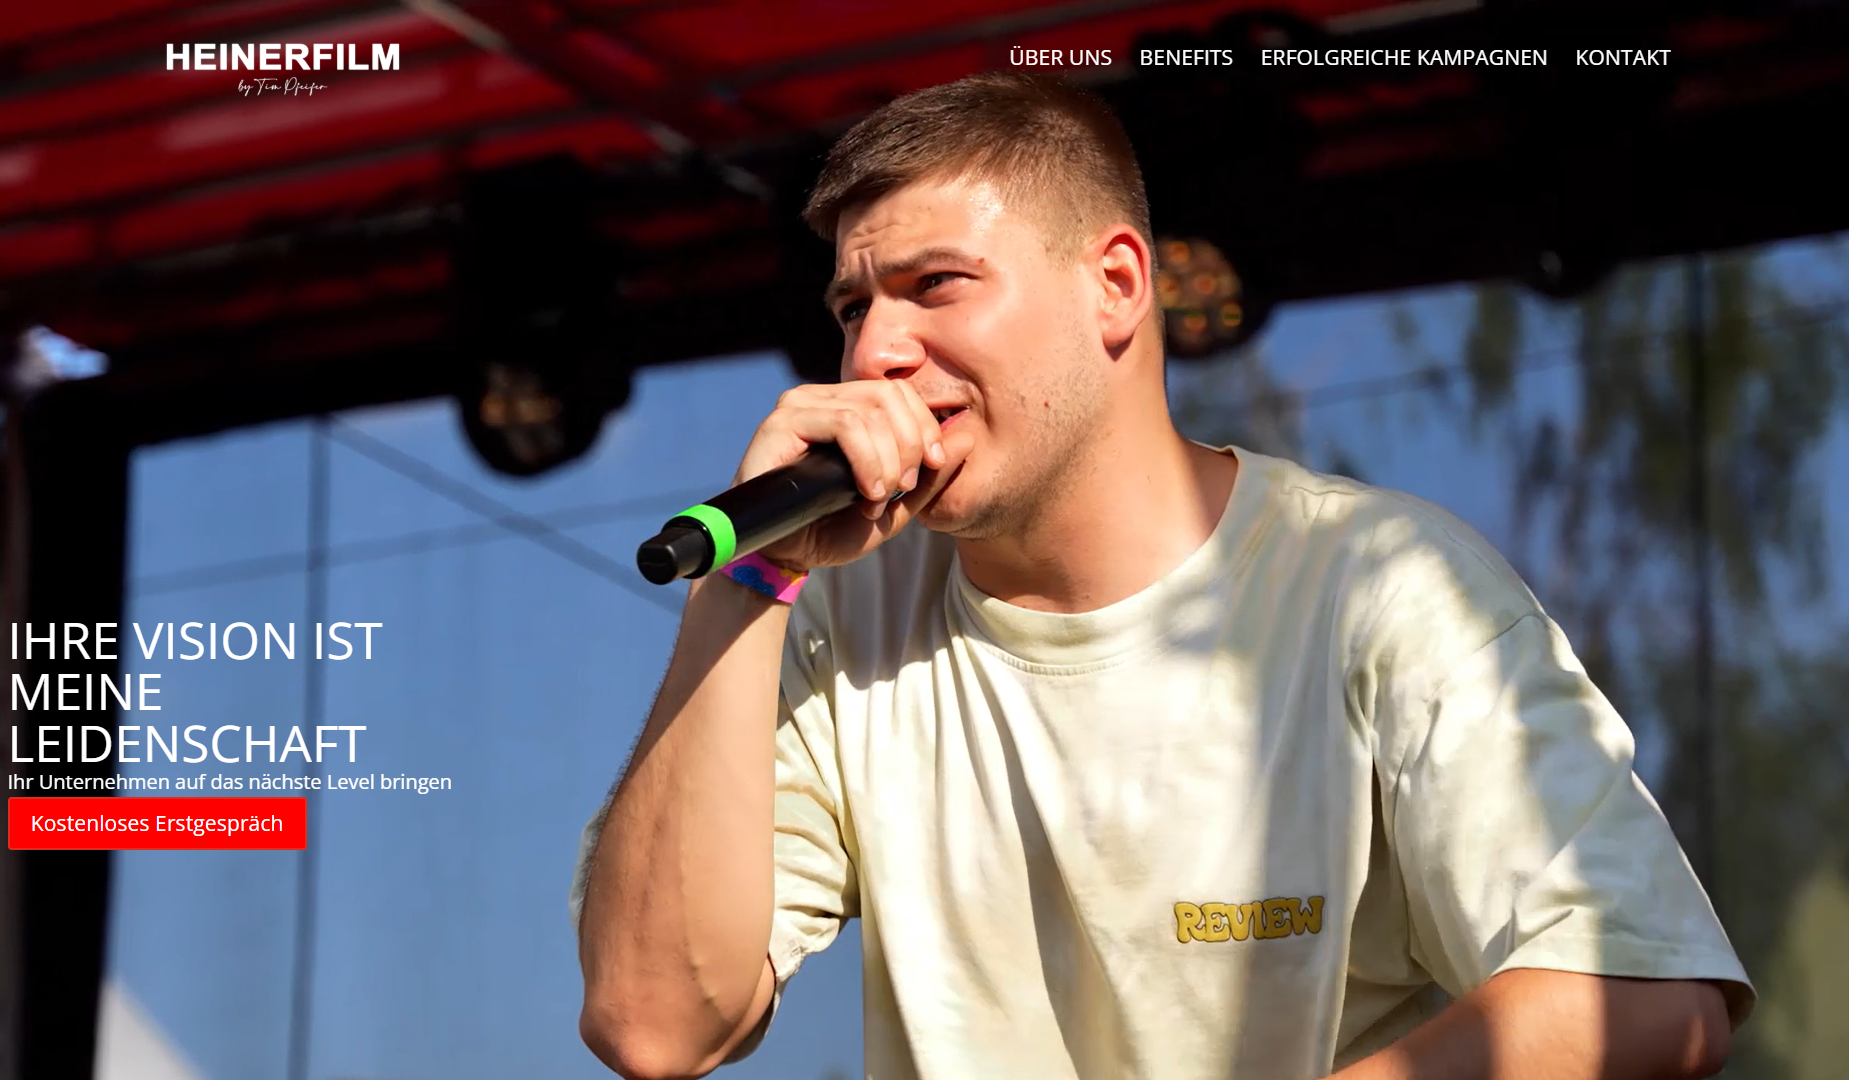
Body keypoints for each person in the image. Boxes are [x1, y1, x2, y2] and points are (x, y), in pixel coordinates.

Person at [571, 72, 1750, 1080]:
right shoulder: (835, 613)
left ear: (1117, 285)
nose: (873, 350)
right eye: (851, 305)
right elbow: (653, 1024)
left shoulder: (1373, 585)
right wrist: (747, 582)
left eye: (935, 286)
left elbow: (1647, 992)